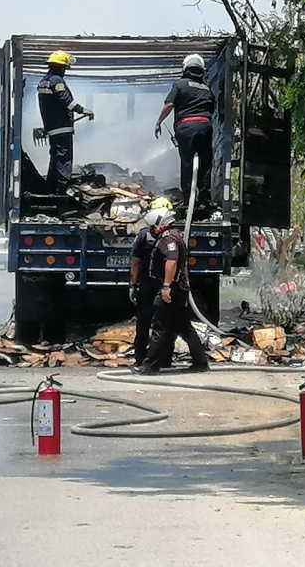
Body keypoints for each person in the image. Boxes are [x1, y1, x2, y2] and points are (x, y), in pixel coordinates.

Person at [132, 206, 209, 375]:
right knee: (183, 327)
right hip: (178, 289)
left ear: (162, 224)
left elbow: (172, 262)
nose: (152, 230)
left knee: (160, 327)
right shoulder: (173, 236)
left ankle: (150, 366)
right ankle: (200, 362)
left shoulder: (168, 240)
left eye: (154, 226)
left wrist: (166, 286)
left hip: (170, 289)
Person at [155, 53, 216, 207]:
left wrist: (159, 121)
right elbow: (212, 109)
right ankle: (204, 201)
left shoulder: (179, 85)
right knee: (205, 166)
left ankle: (189, 201)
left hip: (186, 128)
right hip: (205, 127)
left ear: (185, 68)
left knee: (187, 164)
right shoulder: (207, 89)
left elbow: (169, 105)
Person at [38, 50, 95, 194]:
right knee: (64, 159)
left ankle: (51, 187)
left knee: (55, 158)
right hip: (62, 127)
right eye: (64, 68)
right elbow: (65, 101)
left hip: (52, 127)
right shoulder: (57, 81)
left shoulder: (44, 81)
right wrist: (83, 110)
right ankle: (62, 191)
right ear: (60, 67)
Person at [130, 197, 173, 366]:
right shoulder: (172, 237)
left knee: (148, 322)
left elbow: (135, 262)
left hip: (152, 286)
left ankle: (143, 359)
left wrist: (133, 284)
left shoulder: (146, 235)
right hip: (160, 286)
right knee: (161, 323)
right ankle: (161, 359)